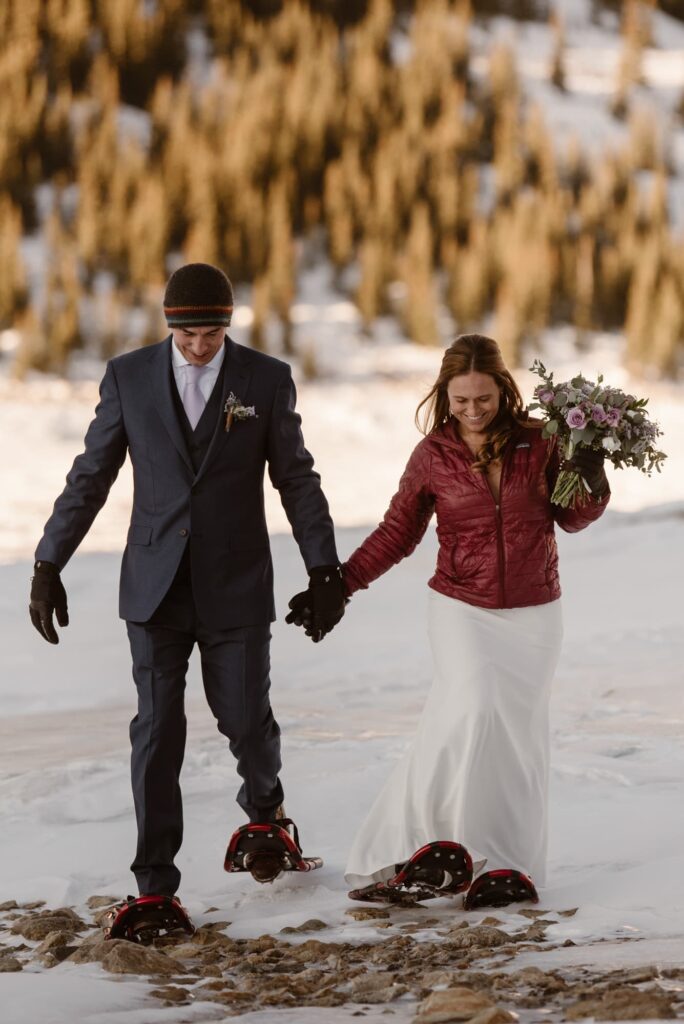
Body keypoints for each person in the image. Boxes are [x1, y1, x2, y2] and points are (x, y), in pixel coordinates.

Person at [29, 262, 346, 909]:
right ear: (169, 325)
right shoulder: (128, 378)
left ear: (228, 325)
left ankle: (264, 812)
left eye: (211, 334)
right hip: (154, 588)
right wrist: (47, 562)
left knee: (245, 720)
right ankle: (154, 886)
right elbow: (92, 476)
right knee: (157, 731)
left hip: (235, 582)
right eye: (189, 335)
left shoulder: (265, 378)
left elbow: (297, 479)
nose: (200, 347)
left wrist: (324, 569)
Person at [338, 334, 609, 909]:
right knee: (473, 707)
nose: (472, 410)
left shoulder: (541, 441)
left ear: (504, 391)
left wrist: (591, 474)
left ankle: (505, 864)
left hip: (535, 611)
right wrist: (342, 583)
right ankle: (430, 848)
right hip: (461, 605)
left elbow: (573, 518)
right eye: (460, 400)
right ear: (445, 395)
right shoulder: (433, 455)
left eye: (482, 398)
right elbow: (397, 532)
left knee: (518, 739)